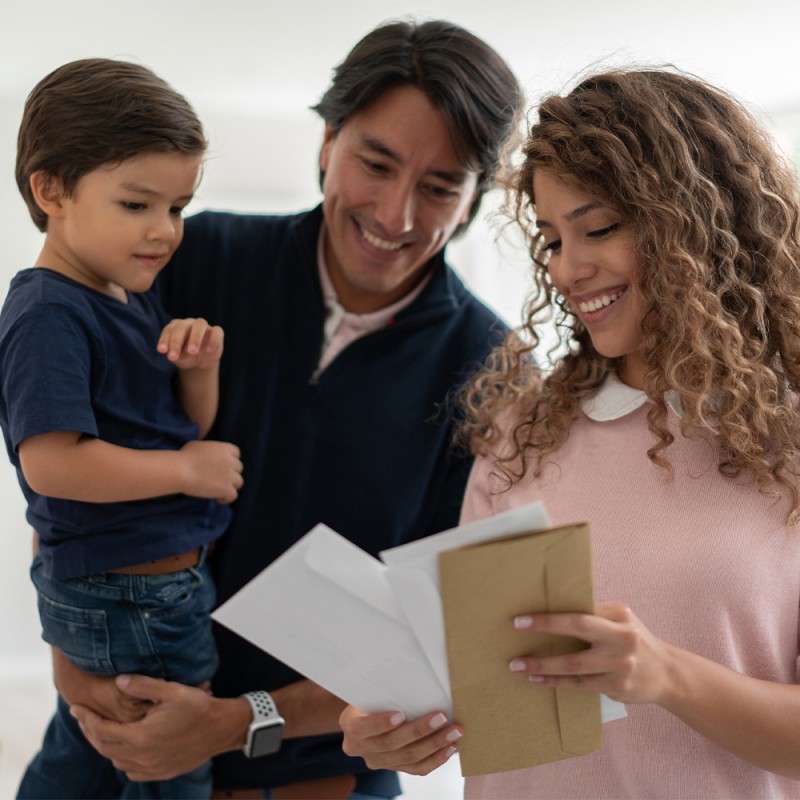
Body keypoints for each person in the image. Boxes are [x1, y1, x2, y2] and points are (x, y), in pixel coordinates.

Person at [57, 19, 525, 800]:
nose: (397, 215)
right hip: (113, 733)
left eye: (441, 187)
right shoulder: (192, 258)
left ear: (476, 197)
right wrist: (73, 668)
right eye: (374, 164)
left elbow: (453, 641)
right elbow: (67, 465)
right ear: (327, 141)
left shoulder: (498, 374)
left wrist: (235, 721)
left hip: (323, 774)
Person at [338, 68, 800, 798]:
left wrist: (665, 674)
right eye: (551, 238)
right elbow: (488, 700)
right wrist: (400, 729)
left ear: (696, 224)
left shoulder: (791, 443)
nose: (566, 268)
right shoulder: (522, 432)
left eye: (600, 228)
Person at [3, 59, 244, 799]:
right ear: (51, 190)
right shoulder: (50, 313)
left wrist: (196, 370)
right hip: (129, 596)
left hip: (150, 586)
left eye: (177, 207)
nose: (165, 232)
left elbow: (179, 428)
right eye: (137, 204)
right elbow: (53, 464)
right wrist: (182, 473)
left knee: (91, 750)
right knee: (167, 760)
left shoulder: (122, 291)